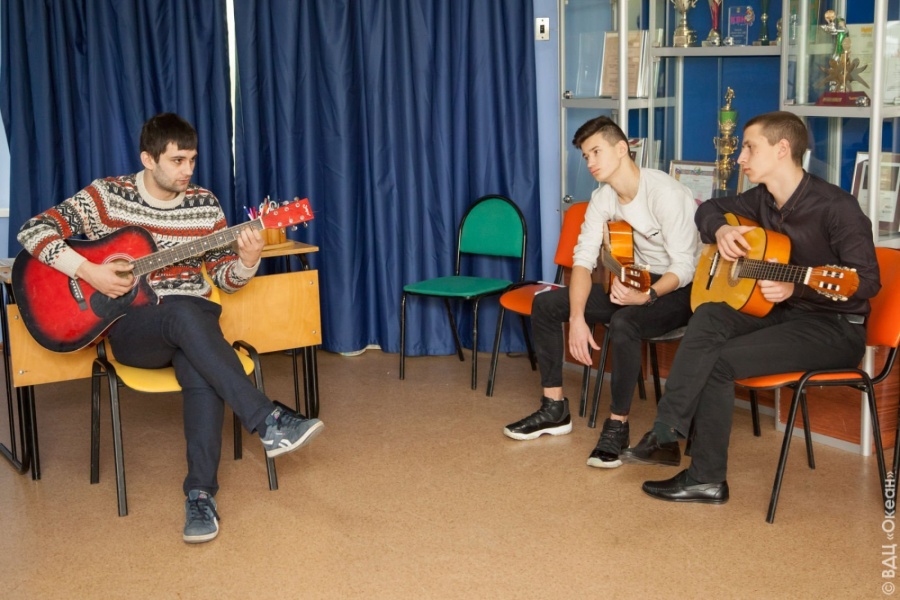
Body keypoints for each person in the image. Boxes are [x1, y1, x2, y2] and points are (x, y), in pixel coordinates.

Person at [16, 113, 324, 543]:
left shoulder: (204, 205)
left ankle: (200, 495)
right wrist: (89, 270)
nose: (187, 170)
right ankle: (268, 419)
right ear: (148, 158)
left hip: (194, 325)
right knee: (185, 316)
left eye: (192, 160)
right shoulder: (107, 197)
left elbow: (225, 281)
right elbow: (33, 231)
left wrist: (248, 260)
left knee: (198, 353)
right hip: (133, 330)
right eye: (178, 160)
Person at [621, 111, 880, 503]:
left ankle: (705, 477)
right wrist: (722, 229)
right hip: (782, 315)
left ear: (782, 149)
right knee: (708, 313)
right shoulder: (761, 199)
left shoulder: (837, 207)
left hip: (835, 327)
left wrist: (796, 288)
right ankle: (666, 431)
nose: (740, 157)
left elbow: (868, 282)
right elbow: (706, 209)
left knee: (719, 361)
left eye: (749, 147)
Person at [502, 116, 701, 469]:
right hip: (638, 282)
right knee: (546, 304)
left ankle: (617, 427)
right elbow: (582, 261)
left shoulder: (667, 194)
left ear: (622, 149)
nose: (590, 162)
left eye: (596, 152)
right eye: (585, 156)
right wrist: (577, 317)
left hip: (681, 290)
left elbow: (685, 266)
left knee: (625, 322)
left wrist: (648, 295)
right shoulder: (602, 197)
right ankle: (554, 409)